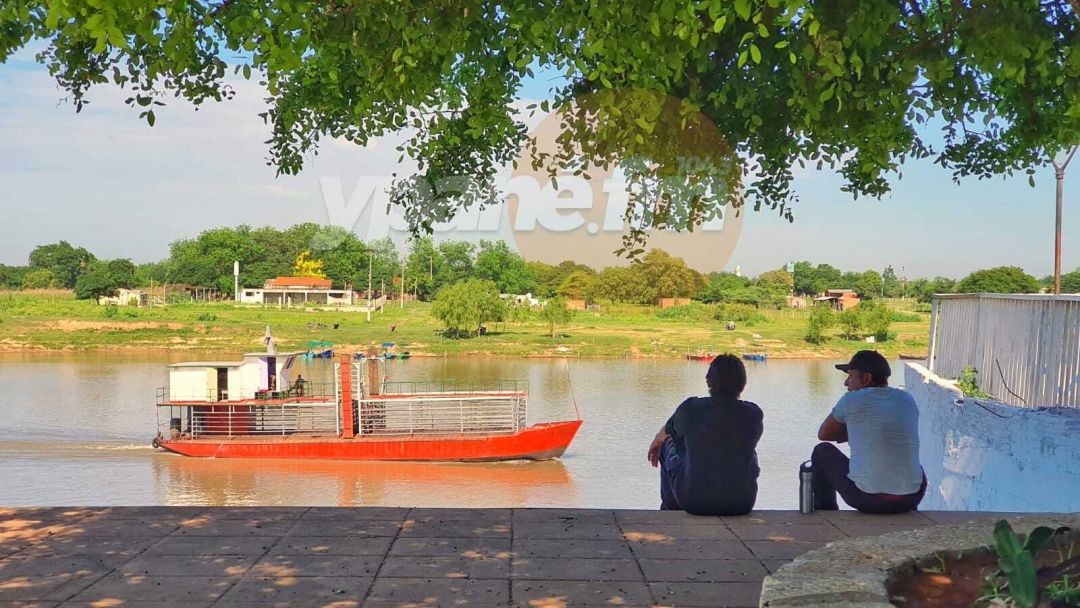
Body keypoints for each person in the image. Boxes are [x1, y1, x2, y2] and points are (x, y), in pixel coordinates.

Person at [647, 354, 763, 515]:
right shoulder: (754, 414)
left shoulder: (690, 408)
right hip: (742, 503)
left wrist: (656, 441)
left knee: (667, 442)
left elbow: (667, 431)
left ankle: (670, 510)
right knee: (749, 449)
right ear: (743, 385)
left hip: (694, 502)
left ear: (708, 381)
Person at [812, 350, 926, 514]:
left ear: (866, 379)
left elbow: (825, 434)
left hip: (867, 499)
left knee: (822, 451)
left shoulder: (852, 399)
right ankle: (902, 507)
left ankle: (826, 512)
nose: (846, 383)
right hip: (910, 499)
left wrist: (854, 430)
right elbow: (887, 430)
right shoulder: (907, 399)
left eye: (850, 376)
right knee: (908, 463)